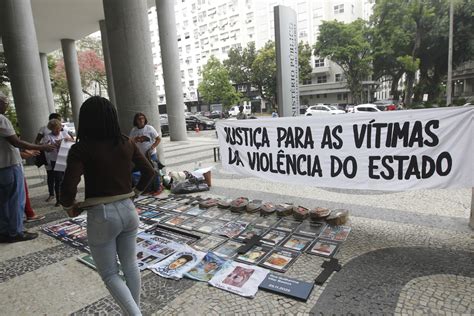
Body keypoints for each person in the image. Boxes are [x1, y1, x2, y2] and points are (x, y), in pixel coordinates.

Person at [60, 96, 155, 315]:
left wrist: (69, 206)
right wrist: (136, 192)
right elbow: (149, 171)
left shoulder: (81, 148)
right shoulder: (125, 141)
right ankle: (134, 310)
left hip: (101, 215)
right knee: (130, 265)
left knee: (110, 274)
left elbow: (69, 186)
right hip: (129, 211)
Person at [0, 92, 54, 243]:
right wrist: (42, 147)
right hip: (9, 165)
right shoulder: (1, 119)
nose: (7, 105)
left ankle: (3, 230)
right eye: (5, 102)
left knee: (3, 202)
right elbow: (17, 142)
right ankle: (16, 232)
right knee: (16, 200)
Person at [42, 119, 74, 206]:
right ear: (51, 129)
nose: (57, 131)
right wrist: (55, 145)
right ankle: (59, 199)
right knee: (58, 179)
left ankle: (70, 197)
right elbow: (46, 149)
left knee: (68, 178)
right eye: (55, 129)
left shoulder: (64, 133)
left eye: (58, 128)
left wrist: (68, 139)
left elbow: (73, 142)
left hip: (66, 159)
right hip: (55, 160)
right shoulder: (48, 136)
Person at [19, 150, 46, 222]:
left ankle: (28, 214)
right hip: (10, 168)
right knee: (21, 192)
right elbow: (15, 151)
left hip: (12, 167)